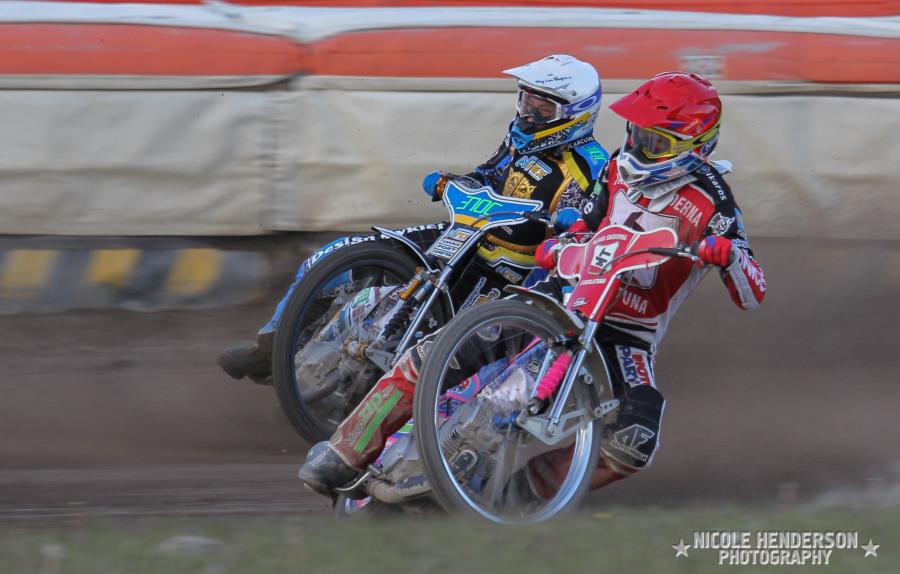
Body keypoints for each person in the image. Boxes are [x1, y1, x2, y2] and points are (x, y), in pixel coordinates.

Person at [298, 70, 766, 497]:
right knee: (439, 351)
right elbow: (588, 220)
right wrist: (567, 237)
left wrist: (728, 257)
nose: (640, 147)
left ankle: (521, 498)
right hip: (562, 294)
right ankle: (344, 452)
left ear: (695, 145)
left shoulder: (715, 201)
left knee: (635, 440)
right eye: (637, 133)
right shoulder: (618, 167)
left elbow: (754, 291)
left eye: (656, 141)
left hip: (627, 334)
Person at [217, 54, 608, 386]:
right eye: (526, 101)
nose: (529, 114)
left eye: (543, 109)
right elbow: (489, 174)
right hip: (466, 236)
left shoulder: (589, 166)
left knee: (456, 349)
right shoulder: (518, 136)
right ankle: (272, 347)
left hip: (515, 270)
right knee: (337, 254)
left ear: (575, 114)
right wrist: (453, 182)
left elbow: (584, 234)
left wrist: (567, 225)